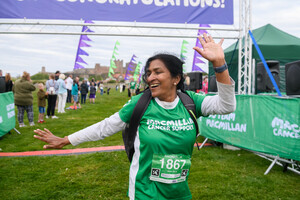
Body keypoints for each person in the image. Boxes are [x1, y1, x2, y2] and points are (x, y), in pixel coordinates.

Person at [34, 34, 236, 200]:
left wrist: (219, 64)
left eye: (158, 72)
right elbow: (105, 127)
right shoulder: (140, 103)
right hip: (143, 193)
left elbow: (226, 105)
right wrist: (66, 140)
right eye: (148, 73)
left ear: (176, 78)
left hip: (179, 194)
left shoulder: (191, 102)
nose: (150, 78)